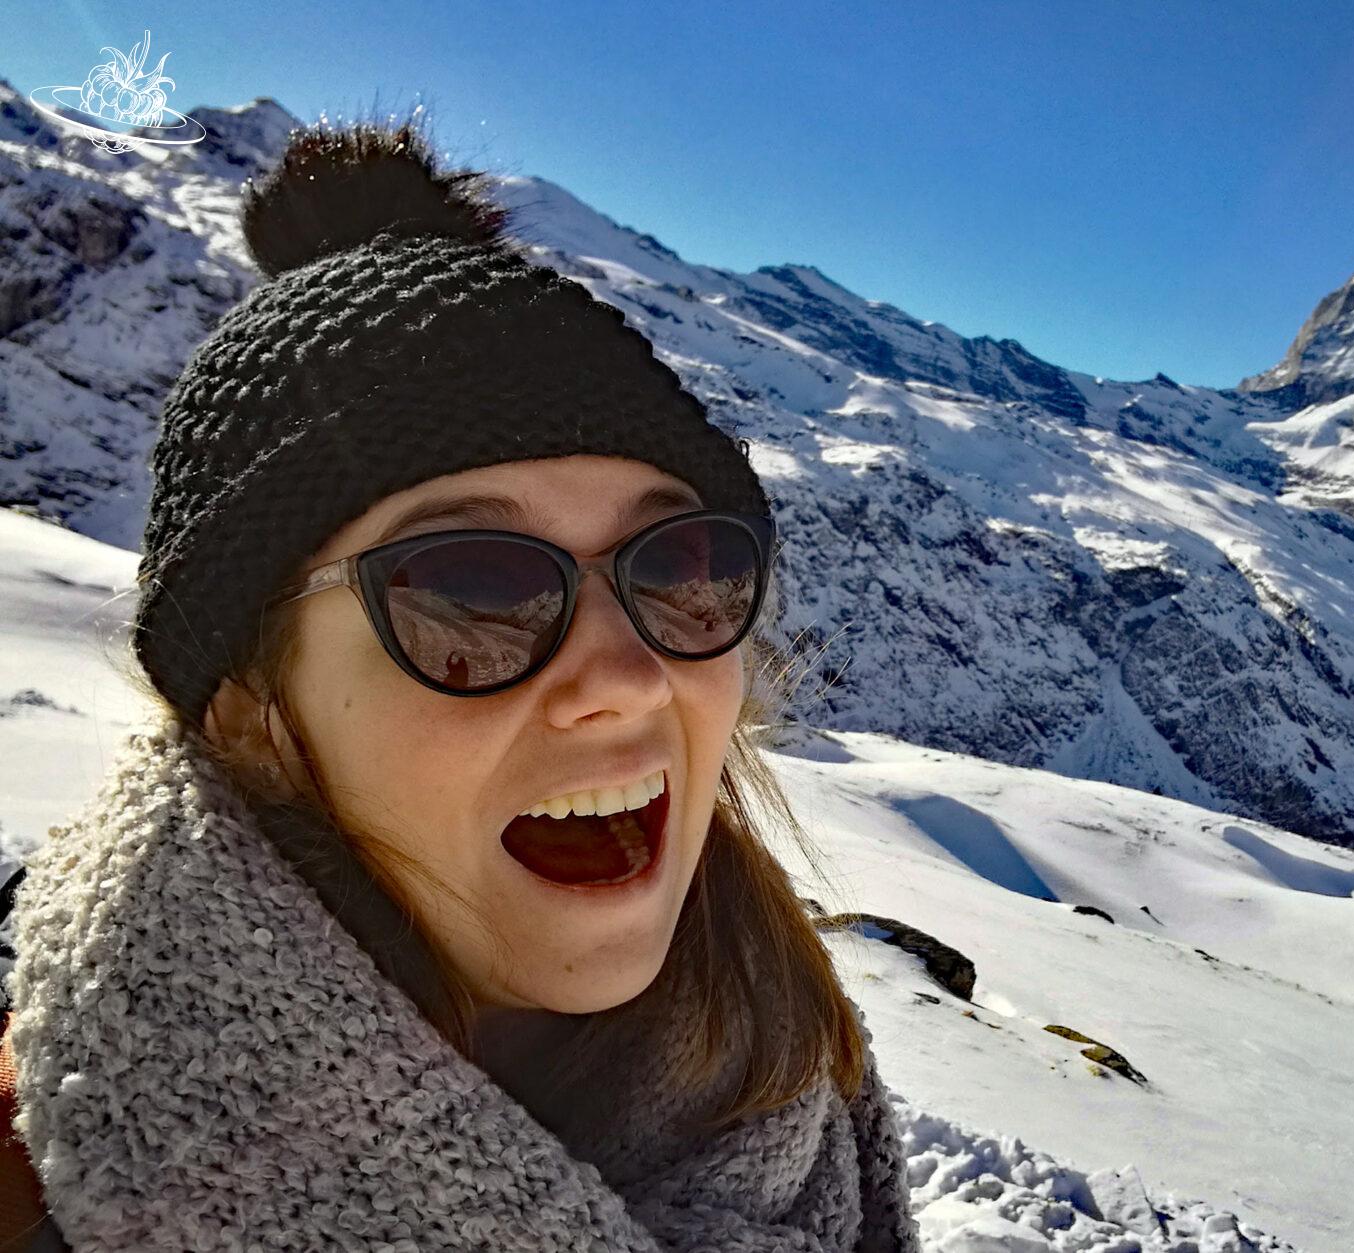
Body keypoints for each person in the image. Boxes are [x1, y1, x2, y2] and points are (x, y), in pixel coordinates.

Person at [0, 112, 919, 1251]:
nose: (627, 677)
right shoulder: (38, 1182)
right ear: (253, 714)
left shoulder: (793, 1105)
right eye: (476, 589)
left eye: (683, 568)